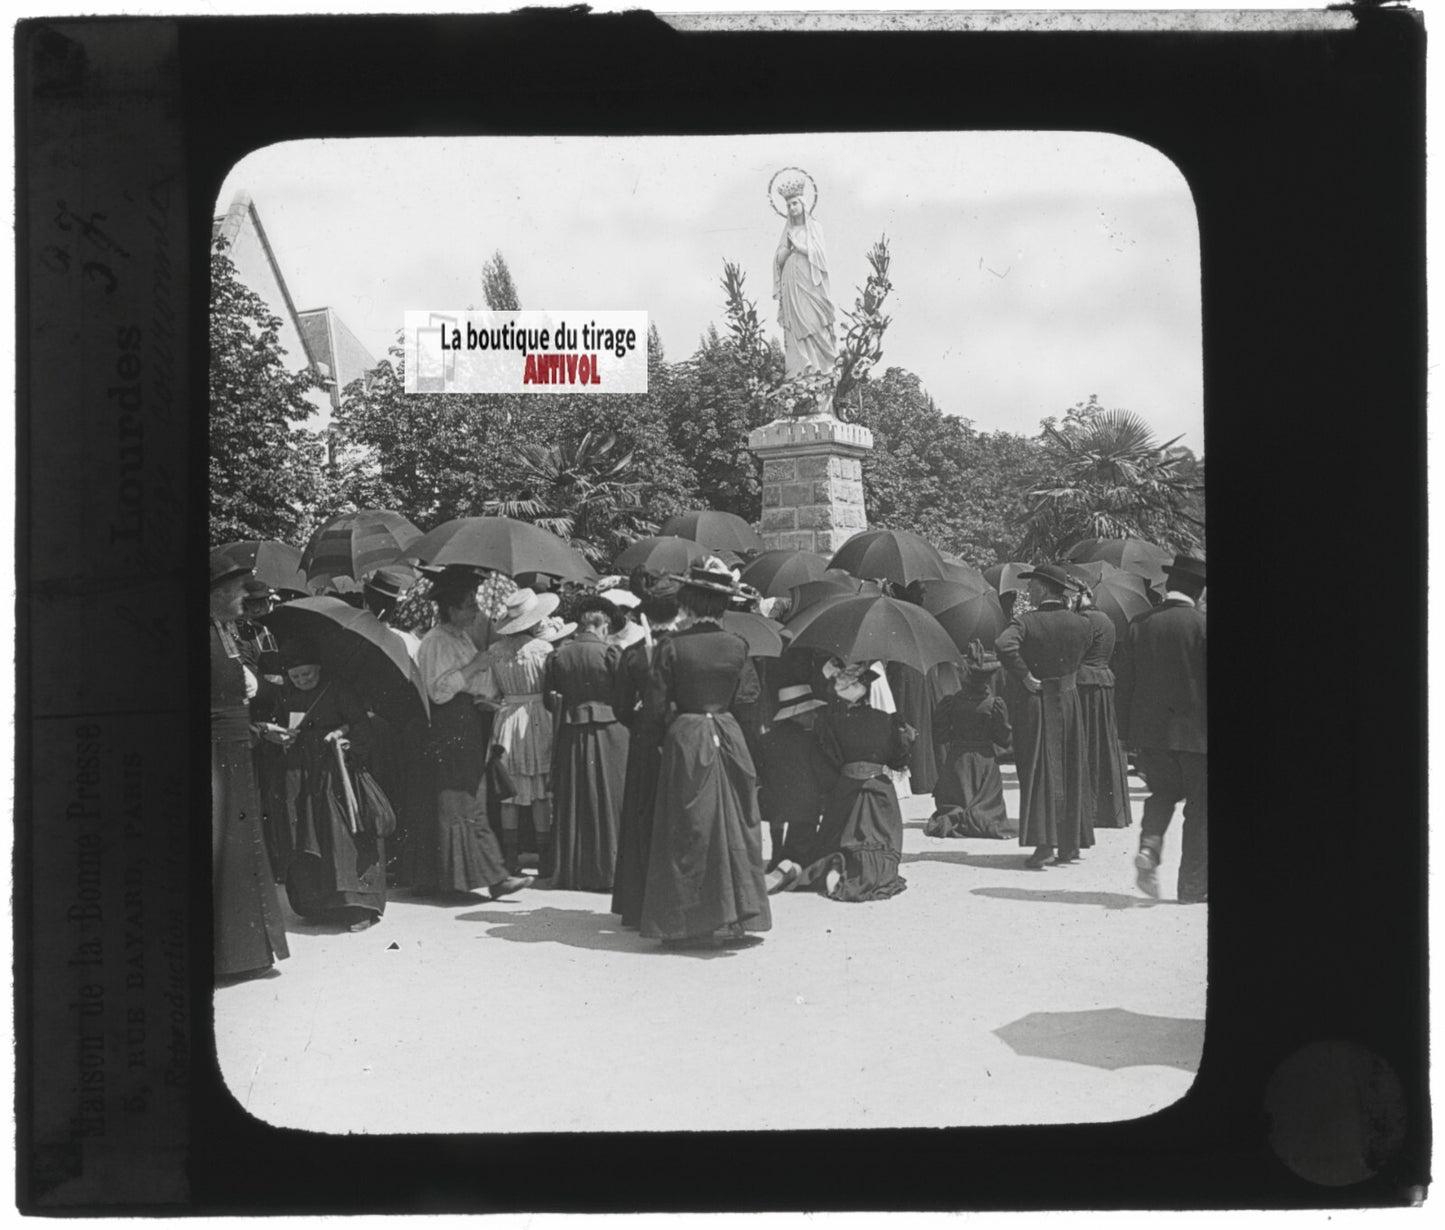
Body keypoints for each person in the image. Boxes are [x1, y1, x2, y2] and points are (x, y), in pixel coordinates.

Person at [639, 559, 771, 950]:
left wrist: (662, 739)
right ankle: (734, 917)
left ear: (688, 604)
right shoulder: (737, 645)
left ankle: (685, 923)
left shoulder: (670, 647)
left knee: (688, 826)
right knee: (734, 824)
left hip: (688, 735)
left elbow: (654, 708)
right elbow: (749, 699)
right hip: (727, 732)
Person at [407, 571, 533, 900]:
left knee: (469, 798)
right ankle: (485, 877)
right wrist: (476, 665)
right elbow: (438, 690)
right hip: (449, 725)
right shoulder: (436, 641)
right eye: (467, 605)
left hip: (469, 719)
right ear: (449, 608)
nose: (474, 611)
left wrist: (485, 693)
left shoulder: (460, 637)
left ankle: (467, 876)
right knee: (461, 799)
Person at [254, 638, 388, 931]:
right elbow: (274, 727)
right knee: (301, 834)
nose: (302, 680)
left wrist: (343, 736)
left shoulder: (339, 689)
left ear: (319, 669)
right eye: (296, 676)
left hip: (335, 770)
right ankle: (316, 905)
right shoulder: (285, 694)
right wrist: (278, 736)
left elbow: (362, 727)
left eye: (308, 674)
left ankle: (357, 907)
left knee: (341, 835)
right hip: (298, 774)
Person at [209, 549, 289, 980]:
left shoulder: (224, 629)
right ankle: (228, 956)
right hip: (218, 758)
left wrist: (258, 730)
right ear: (216, 593)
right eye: (238, 590)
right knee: (226, 847)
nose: (245, 597)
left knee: (242, 846)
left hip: (239, 749)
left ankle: (247, 954)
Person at [772, 663, 914, 901]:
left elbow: (828, 763)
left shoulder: (834, 723)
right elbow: (898, 760)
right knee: (881, 847)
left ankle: (833, 866)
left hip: (846, 794)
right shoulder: (889, 721)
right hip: (880, 796)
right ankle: (851, 870)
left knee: (836, 842)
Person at [1116, 554, 1208, 902]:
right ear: (1198, 593)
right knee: (1200, 810)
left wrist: (1124, 734)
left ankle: (1150, 848)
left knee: (1162, 794)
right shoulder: (1202, 627)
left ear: (1169, 586)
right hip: (1198, 738)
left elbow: (1124, 683)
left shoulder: (1139, 624)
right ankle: (1193, 889)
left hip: (1149, 735)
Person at [995, 563, 1094, 869]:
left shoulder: (1026, 622)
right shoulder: (1082, 623)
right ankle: (1069, 845)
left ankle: (1043, 846)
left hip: (1037, 701)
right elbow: (1086, 651)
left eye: (1033, 586)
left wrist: (1024, 674)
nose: (1029, 591)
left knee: (1037, 769)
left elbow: (1003, 644)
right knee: (1070, 767)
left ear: (1046, 588)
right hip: (1068, 699)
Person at [478, 588, 574, 876]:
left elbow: (488, 693)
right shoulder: (543, 650)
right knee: (539, 790)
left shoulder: (495, 652)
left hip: (507, 718)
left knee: (510, 791)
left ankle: (510, 857)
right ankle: (544, 857)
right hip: (537, 718)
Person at [611, 568, 681, 928]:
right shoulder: (683, 651)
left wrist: (640, 721)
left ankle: (638, 904)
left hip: (643, 741)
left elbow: (620, 708)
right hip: (679, 740)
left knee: (642, 818)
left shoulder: (634, 655)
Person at [544, 597, 630, 890]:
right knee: (609, 798)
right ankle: (609, 869)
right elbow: (627, 695)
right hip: (610, 730)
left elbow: (548, 699)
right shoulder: (610, 653)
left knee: (574, 799)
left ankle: (572, 869)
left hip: (572, 729)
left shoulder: (558, 655)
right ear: (603, 624)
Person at [928, 646, 1013, 839]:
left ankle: (956, 817)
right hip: (985, 764)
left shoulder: (950, 703)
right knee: (986, 806)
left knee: (955, 800)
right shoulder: (994, 705)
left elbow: (940, 736)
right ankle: (981, 818)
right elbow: (1004, 739)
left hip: (957, 762)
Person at [755, 684, 833, 869]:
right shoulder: (810, 740)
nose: (815, 716)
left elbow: (761, 773)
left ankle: (777, 856)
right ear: (797, 715)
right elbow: (824, 774)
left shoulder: (767, 740)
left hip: (773, 805)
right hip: (805, 811)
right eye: (810, 712)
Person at [1074, 584, 1132, 829]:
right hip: (1103, 682)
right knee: (1104, 743)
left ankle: (1092, 810)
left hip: (1086, 685)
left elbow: (1074, 652)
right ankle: (1109, 811)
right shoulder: (1105, 619)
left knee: (1088, 742)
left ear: (1083, 596)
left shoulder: (1085, 620)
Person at [772, 181, 836, 381]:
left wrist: (799, 247)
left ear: (803, 204)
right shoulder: (788, 232)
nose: (791, 208)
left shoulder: (814, 227)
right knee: (795, 328)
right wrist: (787, 251)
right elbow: (778, 259)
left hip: (810, 283)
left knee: (813, 322)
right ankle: (800, 371)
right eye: (788, 205)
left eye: (794, 204)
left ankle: (820, 369)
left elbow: (821, 257)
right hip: (791, 283)